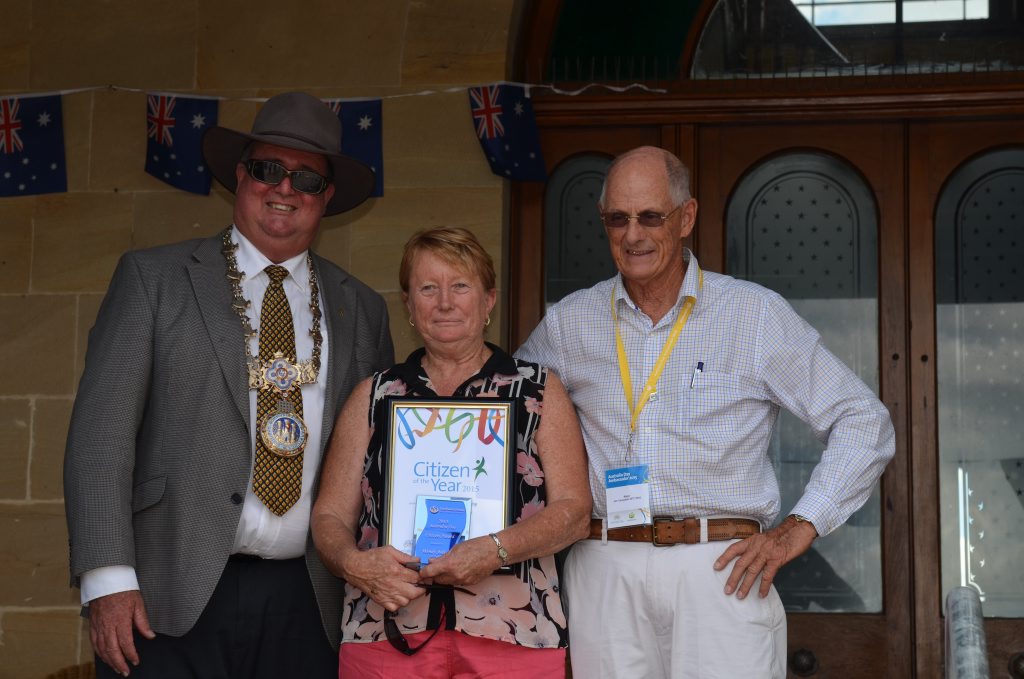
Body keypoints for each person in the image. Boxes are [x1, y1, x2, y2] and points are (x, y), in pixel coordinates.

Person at [516, 146, 895, 678]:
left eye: (650, 216)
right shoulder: (568, 323)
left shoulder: (753, 313)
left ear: (686, 217)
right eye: (616, 219)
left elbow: (863, 420)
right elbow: (506, 425)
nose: (632, 234)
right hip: (603, 562)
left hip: (721, 565)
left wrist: (798, 527)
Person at [63, 91, 394, 678]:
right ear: (240, 176)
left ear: (328, 197)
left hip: (308, 599)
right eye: (269, 169)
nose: (285, 189)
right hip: (166, 594)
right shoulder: (154, 279)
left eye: (307, 179)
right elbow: (100, 437)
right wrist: (107, 579)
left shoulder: (362, 308)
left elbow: (378, 461)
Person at [311, 226, 592, 678]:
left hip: (513, 634)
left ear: (489, 300)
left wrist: (494, 550)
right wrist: (354, 564)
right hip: (386, 634)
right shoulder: (374, 395)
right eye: (428, 288)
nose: (444, 302)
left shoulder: (537, 390)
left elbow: (575, 511)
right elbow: (328, 518)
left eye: (461, 286)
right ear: (408, 303)